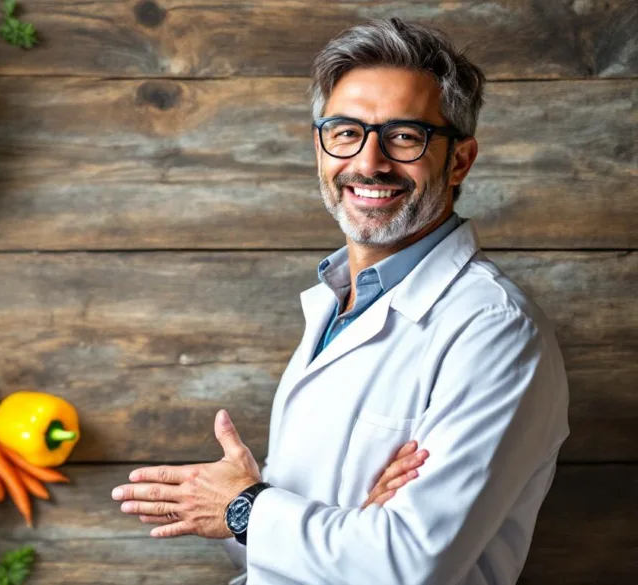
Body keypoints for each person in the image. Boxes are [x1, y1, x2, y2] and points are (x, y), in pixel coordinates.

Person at [111, 17, 570, 585]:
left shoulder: (496, 330)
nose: (369, 162)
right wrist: (257, 509)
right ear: (320, 148)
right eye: (346, 132)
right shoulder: (336, 302)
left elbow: (408, 565)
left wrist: (247, 507)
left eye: (404, 136)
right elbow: (270, 555)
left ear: (459, 160)